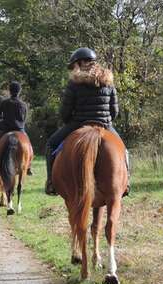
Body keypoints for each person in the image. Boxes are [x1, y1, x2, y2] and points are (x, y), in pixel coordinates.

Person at [44, 47, 130, 196]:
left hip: (78, 124)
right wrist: (105, 120)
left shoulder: (74, 84)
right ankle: (126, 182)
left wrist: (70, 120)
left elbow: (65, 113)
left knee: (51, 144)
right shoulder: (108, 81)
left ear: (80, 63)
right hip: (105, 125)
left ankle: (51, 182)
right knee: (124, 150)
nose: (73, 69)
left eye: (73, 65)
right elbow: (114, 112)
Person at [0, 81, 33, 175]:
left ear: (10, 91)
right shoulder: (23, 104)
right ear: (19, 91)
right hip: (20, 130)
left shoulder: (4, 103)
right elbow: (24, 119)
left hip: (6, 130)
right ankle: (29, 166)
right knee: (29, 146)